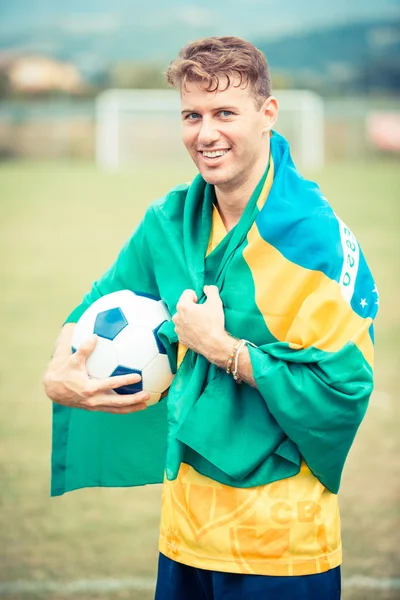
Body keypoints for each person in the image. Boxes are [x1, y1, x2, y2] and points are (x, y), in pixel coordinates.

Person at [43, 37, 379, 600]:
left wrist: (221, 348)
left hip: (282, 541)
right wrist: (59, 370)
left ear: (267, 114)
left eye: (225, 113)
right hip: (184, 532)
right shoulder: (171, 220)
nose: (206, 133)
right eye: (191, 115)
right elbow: (93, 305)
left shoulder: (316, 242)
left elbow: (344, 392)